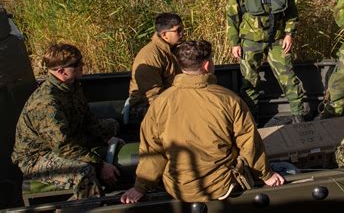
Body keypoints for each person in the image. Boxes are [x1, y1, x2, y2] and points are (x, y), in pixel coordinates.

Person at [121, 40, 285, 204]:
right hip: (222, 186)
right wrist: (266, 175)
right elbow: (249, 145)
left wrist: (139, 188)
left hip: (178, 189)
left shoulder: (160, 103)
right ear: (207, 66)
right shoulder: (229, 100)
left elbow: (152, 150)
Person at [12, 43, 121, 200]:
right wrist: (100, 165)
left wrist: (107, 137)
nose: (82, 65)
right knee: (84, 173)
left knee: (112, 125)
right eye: (77, 64)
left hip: (67, 138)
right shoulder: (46, 103)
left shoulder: (72, 86)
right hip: (38, 157)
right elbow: (63, 147)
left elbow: (87, 119)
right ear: (61, 71)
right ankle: (87, 208)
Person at [226, 0, 307, 124]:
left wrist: (289, 34)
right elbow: (232, 14)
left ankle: (298, 115)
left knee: (288, 77)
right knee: (249, 81)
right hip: (251, 41)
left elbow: (292, 9)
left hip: (277, 39)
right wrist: (234, 43)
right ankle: (251, 120)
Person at [128, 12, 184, 123]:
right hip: (146, 105)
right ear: (164, 35)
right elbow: (153, 96)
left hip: (170, 99)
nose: (182, 33)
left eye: (182, 29)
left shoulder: (174, 50)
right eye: (178, 30)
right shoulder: (150, 56)